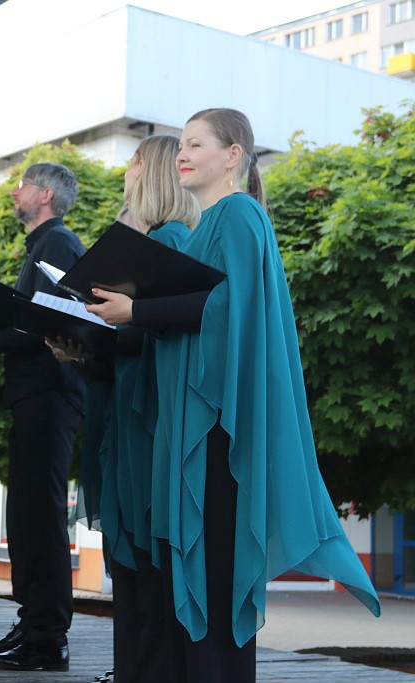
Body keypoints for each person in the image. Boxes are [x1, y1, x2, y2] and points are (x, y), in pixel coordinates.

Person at [87, 108, 381, 683]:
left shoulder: (240, 214)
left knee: (215, 581)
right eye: (181, 147)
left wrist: (137, 311)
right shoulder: (206, 228)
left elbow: (229, 308)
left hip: (220, 432)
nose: (182, 155)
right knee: (194, 580)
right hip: (196, 424)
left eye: (196, 144)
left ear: (233, 156)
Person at [50, 134, 198, 682]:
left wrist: (110, 322)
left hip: (150, 421)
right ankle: (133, 667)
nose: (126, 174)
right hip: (129, 413)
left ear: (154, 172)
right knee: (132, 560)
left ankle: (146, 669)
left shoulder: (174, 238)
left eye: (134, 164)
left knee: (148, 560)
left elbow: (160, 335)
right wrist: (81, 347)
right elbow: (129, 347)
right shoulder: (162, 238)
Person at [0, 162, 86, 672]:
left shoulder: (59, 244)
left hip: (51, 393)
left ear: (46, 194)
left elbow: (49, 319)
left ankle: (47, 636)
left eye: (24, 183)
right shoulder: (44, 246)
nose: (15, 190)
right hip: (38, 395)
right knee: (28, 515)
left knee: (40, 515)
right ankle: (34, 625)